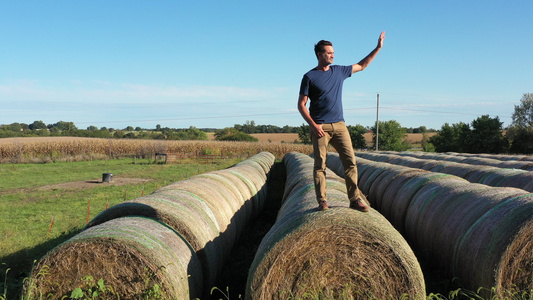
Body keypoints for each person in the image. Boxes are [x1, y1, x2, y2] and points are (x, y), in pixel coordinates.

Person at [298, 31, 385, 212]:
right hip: (320, 127)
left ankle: (355, 200)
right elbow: (301, 105)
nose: (333, 55)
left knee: (350, 162)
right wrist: (313, 126)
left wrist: (377, 48)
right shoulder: (309, 77)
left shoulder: (339, 71)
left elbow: (362, 65)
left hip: (339, 125)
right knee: (319, 166)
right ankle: (322, 201)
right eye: (329, 52)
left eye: (333, 52)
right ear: (320, 54)